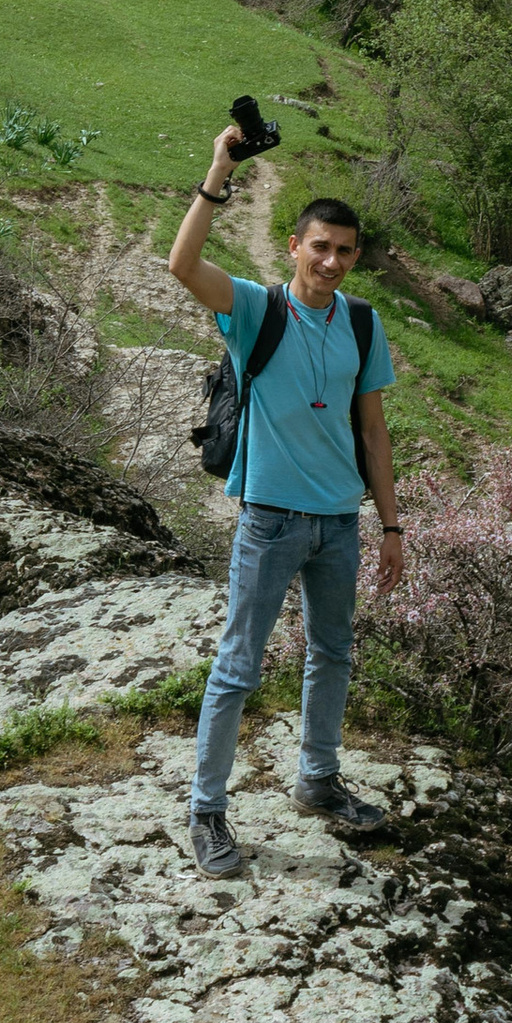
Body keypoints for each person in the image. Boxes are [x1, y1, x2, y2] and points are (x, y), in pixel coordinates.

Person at [167, 113, 405, 879]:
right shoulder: (254, 309)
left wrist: (392, 526)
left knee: (333, 653)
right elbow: (181, 263)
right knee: (238, 666)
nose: (331, 261)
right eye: (319, 247)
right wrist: (219, 171)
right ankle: (207, 813)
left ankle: (318, 780)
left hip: (341, 521)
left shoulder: (365, 326)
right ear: (294, 248)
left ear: (355, 255)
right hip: (269, 521)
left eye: (344, 250)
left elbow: (373, 431)